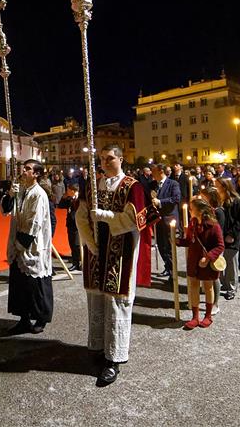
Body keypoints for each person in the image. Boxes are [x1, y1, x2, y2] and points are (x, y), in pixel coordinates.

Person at [75, 144, 152, 385]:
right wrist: (89, 242)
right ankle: (98, 347)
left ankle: (114, 358)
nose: (104, 163)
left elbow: (134, 220)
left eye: (109, 158)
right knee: (96, 299)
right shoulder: (92, 185)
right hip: (96, 251)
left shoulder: (132, 186)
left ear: (121, 159)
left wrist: (106, 216)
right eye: (101, 159)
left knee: (117, 303)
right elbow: (81, 215)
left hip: (121, 251)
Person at [3, 160, 54, 335]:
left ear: (36, 174)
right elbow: (6, 210)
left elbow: (35, 223)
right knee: (20, 285)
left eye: (28, 169)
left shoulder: (39, 194)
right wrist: (10, 195)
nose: (23, 171)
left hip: (32, 245)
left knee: (36, 285)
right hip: (17, 241)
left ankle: (41, 318)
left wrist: (20, 244)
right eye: (23, 168)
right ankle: (23, 319)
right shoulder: (21, 190)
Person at [180, 197, 225, 329]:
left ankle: (208, 316)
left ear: (199, 211)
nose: (189, 211)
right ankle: (195, 317)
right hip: (194, 261)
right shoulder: (193, 223)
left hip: (206, 263)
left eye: (191, 209)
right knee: (194, 286)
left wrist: (208, 257)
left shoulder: (213, 225)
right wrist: (178, 241)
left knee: (208, 287)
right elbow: (189, 241)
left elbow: (220, 245)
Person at [215, 177, 240, 299]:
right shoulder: (217, 200)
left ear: (224, 187)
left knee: (231, 262)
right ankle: (223, 283)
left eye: (217, 185)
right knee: (220, 261)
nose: (215, 188)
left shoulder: (237, 201)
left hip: (231, 236)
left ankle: (231, 287)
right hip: (220, 235)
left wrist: (232, 234)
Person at [151, 163, 181, 280]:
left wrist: (160, 202)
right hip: (158, 220)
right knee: (161, 245)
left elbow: (176, 198)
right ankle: (168, 267)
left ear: (161, 171)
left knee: (169, 246)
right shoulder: (154, 184)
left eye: (154, 171)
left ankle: (173, 271)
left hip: (169, 219)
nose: (152, 174)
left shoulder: (173, 183)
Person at [58, 183, 81, 271]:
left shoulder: (79, 199)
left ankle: (80, 262)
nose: (67, 191)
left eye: (68, 190)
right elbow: (60, 206)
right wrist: (63, 198)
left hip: (78, 224)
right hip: (70, 224)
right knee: (72, 244)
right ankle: (75, 263)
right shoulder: (69, 199)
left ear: (72, 191)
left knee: (77, 244)